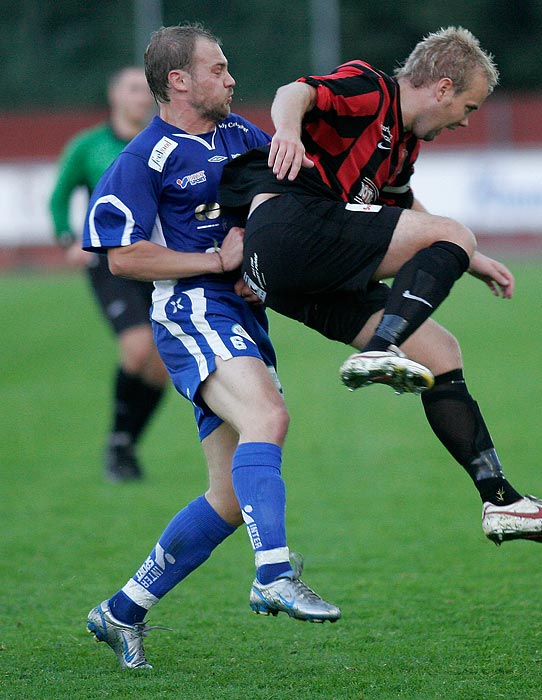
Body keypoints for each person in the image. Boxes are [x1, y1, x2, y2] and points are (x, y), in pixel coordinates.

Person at [218, 27, 542, 546]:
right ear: (441, 87)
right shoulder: (372, 88)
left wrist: (471, 258)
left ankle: (502, 502)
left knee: (438, 350)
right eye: (469, 106)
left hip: (291, 273)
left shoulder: (402, 146)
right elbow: (293, 93)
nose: (465, 120)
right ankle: (383, 347)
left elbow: (402, 210)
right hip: (290, 228)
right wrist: (287, 134)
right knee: (452, 234)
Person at [83, 23, 340, 671]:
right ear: (179, 80)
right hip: (191, 310)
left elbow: (280, 202)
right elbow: (122, 257)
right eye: (218, 69)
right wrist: (212, 262)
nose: (231, 79)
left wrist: (262, 260)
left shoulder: (240, 135)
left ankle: (122, 611)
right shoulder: (142, 158)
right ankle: (274, 574)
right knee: (268, 419)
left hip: (242, 316)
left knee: (229, 496)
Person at [49, 66, 168, 482]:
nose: (142, 97)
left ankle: (124, 444)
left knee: (161, 368)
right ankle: (120, 446)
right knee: (138, 348)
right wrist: (67, 238)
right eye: (134, 89)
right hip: (110, 261)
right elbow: (60, 196)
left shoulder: (162, 142)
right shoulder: (89, 146)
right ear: (115, 96)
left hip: (157, 259)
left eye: (146, 90)